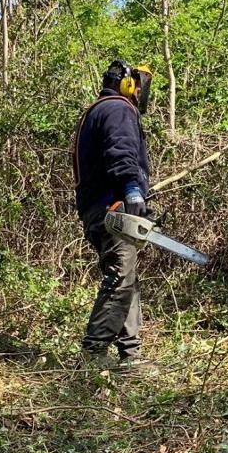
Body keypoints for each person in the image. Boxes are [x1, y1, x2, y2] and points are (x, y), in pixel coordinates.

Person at [72, 59, 154, 367]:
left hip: (97, 208)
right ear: (128, 85)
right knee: (120, 279)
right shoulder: (118, 109)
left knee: (126, 279)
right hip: (112, 206)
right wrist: (132, 188)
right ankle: (93, 356)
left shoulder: (97, 110)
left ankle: (130, 355)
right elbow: (121, 150)